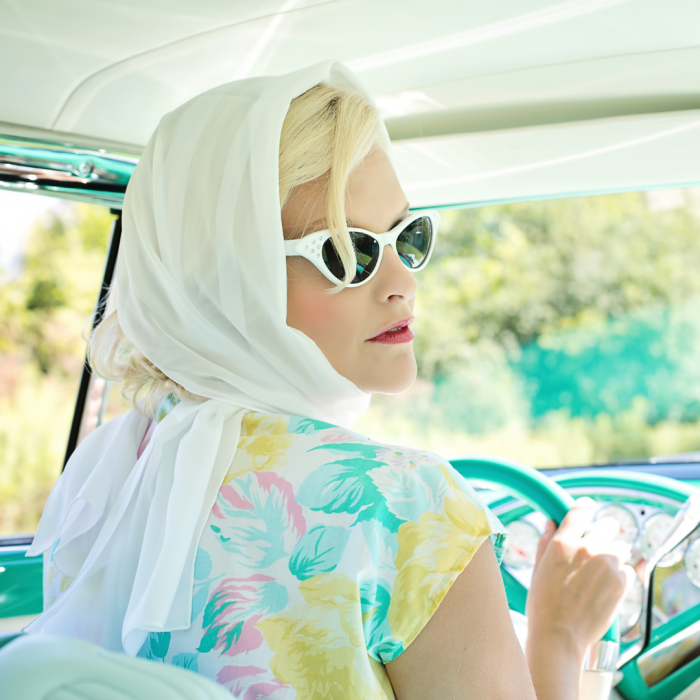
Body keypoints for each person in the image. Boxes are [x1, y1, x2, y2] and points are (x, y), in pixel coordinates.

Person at [25, 62, 628, 699]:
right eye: (346, 252)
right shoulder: (407, 503)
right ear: (232, 280)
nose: (402, 283)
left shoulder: (105, 471)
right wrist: (561, 640)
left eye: (407, 236)